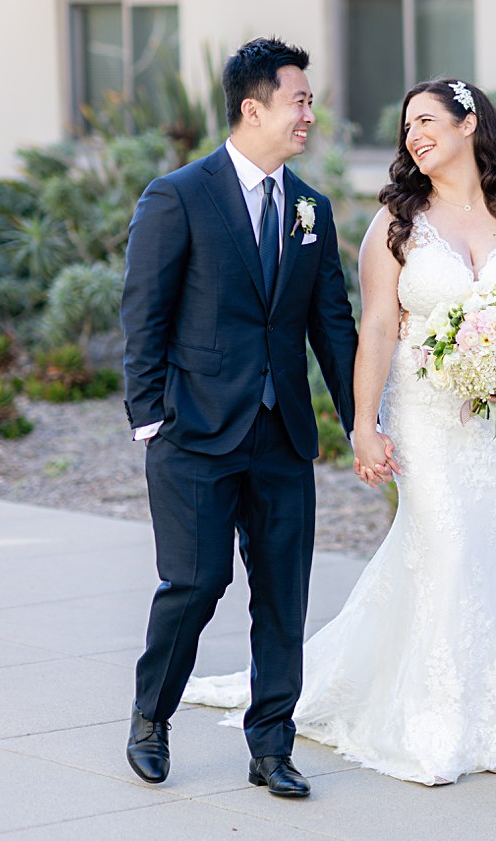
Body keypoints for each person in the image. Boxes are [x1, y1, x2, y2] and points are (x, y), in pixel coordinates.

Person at [183, 78, 496, 786]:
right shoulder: (396, 222)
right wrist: (364, 423)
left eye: (427, 120)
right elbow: (377, 331)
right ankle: (435, 728)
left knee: (493, 558)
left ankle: (493, 723)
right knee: (450, 550)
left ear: (469, 122)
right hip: (427, 415)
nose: (414, 135)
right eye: (406, 127)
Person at [120, 37, 374, 798]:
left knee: (283, 596)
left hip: (283, 436)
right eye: (298, 99)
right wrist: (150, 418)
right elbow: (144, 312)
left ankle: (272, 746)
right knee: (194, 585)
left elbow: (332, 324)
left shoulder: (310, 209)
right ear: (252, 106)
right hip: (194, 433)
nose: (310, 112)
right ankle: (149, 715)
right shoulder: (178, 195)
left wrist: (362, 418)